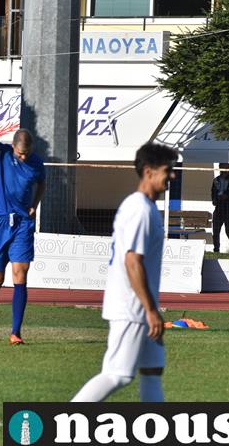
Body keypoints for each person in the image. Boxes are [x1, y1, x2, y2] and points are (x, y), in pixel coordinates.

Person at [71, 142, 177, 402]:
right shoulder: (139, 209)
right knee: (117, 375)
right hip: (131, 307)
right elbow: (132, 262)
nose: (172, 176)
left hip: (141, 306)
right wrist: (150, 310)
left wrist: (152, 308)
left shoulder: (146, 207)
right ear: (149, 171)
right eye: (168, 170)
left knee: (152, 370)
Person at [0, 87, 45, 345]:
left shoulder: (37, 164)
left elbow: (42, 184)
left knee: (20, 274)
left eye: (26, 153)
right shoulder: (1, 152)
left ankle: (16, 333)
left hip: (23, 224)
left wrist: (34, 204)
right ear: (13, 147)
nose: (23, 157)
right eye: (20, 153)